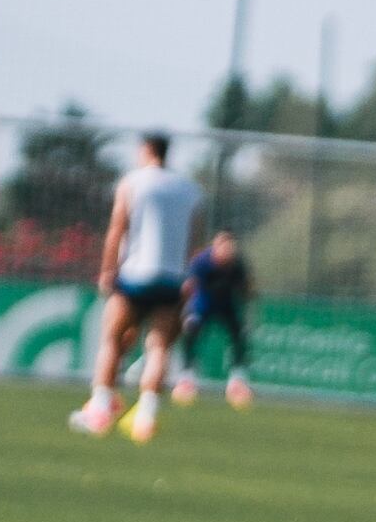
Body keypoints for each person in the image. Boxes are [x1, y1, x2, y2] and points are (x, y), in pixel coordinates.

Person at [72, 133, 202, 443]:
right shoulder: (191, 191)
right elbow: (196, 244)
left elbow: (118, 227)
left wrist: (107, 270)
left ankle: (101, 409)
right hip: (172, 279)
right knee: (158, 347)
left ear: (145, 150)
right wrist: (189, 279)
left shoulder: (132, 183)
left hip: (134, 275)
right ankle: (145, 416)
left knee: (112, 340)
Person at [171, 230, 256, 409]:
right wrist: (185, 309)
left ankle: (237, 380)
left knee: (239, 335)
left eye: (229, 246)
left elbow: (247, 289)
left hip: (226, 305)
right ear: (215, 246)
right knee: (191, 330)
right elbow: (190, 286)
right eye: (222, 245)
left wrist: (249, 307)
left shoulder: (237, 264)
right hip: (204, 304)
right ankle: (187, 377)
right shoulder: (202, 262)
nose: (226, 249)